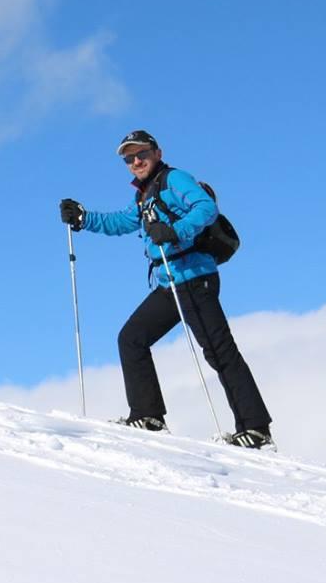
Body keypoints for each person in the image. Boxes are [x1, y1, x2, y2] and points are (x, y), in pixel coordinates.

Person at [59, 130, 274, 448]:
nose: (135, 161)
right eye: (128, 158)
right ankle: (148, 416)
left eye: (141, 154)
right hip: (168, 283)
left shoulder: (175, 179)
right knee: (131, 338)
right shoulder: (144, 195)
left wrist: (174, 231)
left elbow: (205, 208)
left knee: (218, 351)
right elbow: (122, 222)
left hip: (194, 278)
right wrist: (83, 218)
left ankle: (255, 429)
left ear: (157, 153)